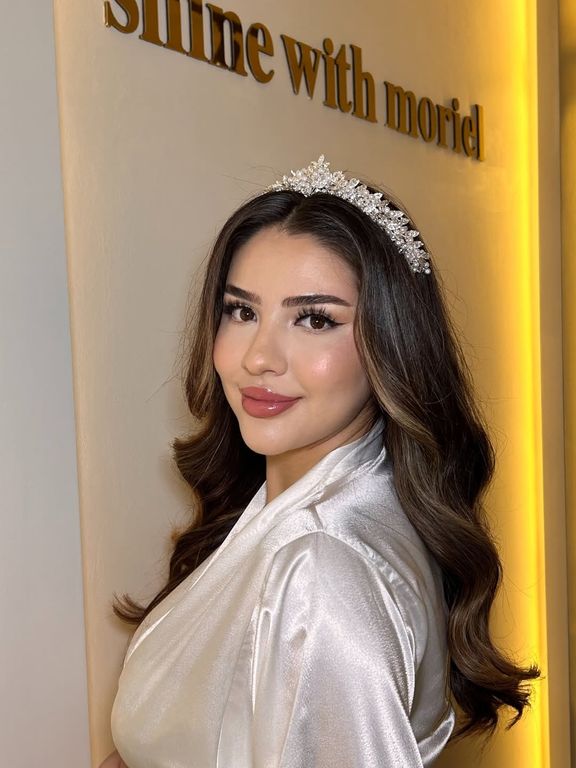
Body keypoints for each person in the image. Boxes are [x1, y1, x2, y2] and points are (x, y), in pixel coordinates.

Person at [100, 156, 539, 768]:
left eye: (314, 319)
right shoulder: (322, 506)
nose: (259, 357)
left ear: (391, 343)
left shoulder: (322, 568)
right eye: (242, 311)